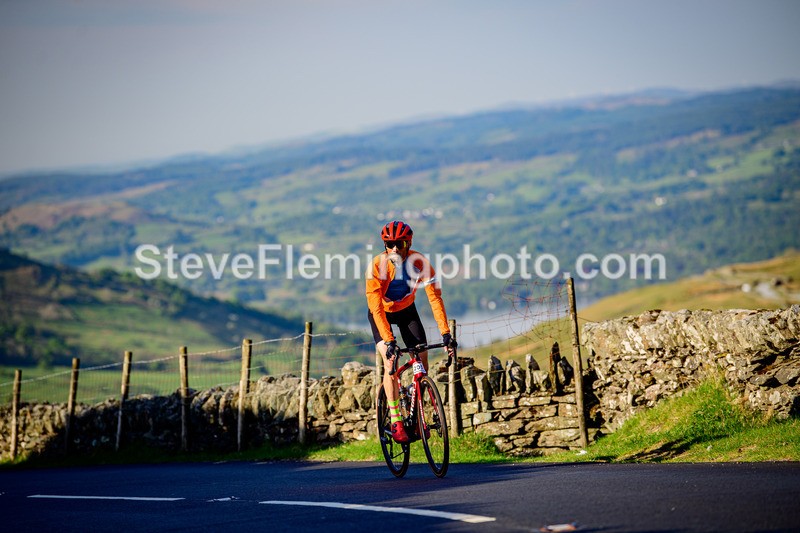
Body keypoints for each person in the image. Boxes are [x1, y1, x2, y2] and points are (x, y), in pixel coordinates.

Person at [366, 220, 456, 443]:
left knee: (422, 361)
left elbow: (435, 297)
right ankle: (396, 420)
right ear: (385, 245)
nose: (394, 248)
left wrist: (446, 333)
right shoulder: (376, 266)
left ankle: (417, 414)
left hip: (407, 310)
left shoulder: (420, 262)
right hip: (382, 314)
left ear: (408, 243)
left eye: (399, 243)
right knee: (390, 365)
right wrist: (389, 341)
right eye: (389, 244)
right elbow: (375, 307)